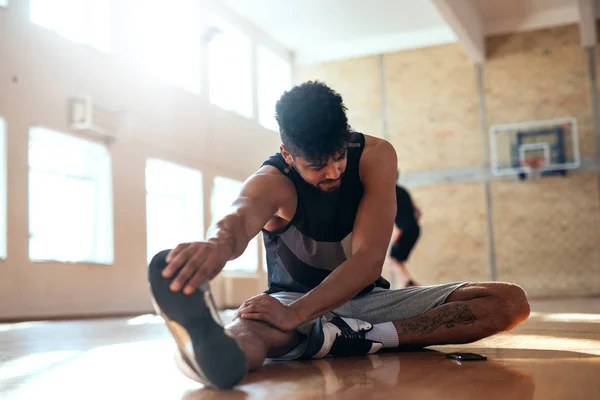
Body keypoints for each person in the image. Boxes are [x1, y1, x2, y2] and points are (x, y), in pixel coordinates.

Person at [147, 81, 531, 389]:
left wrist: (296, 315)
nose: (332, 172)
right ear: (287, 153)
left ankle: (347, 337)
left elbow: (367, 262)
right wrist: (215, 247)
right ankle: (199, 354)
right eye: (316, 165)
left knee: (508, 301)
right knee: (244, 339)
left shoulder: (377, 156)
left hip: (367, 301)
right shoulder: (272, 181)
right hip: (288, 302)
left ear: (346, 137)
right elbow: (239, 218)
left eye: (339, 157)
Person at [388, 173, 422, 287]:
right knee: (399, 261)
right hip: (414, 229)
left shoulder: (390, 193)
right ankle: (406, 284)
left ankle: (410, 284)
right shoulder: (403, 191)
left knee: (393, 261)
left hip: (406, 230)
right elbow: (418, 212)